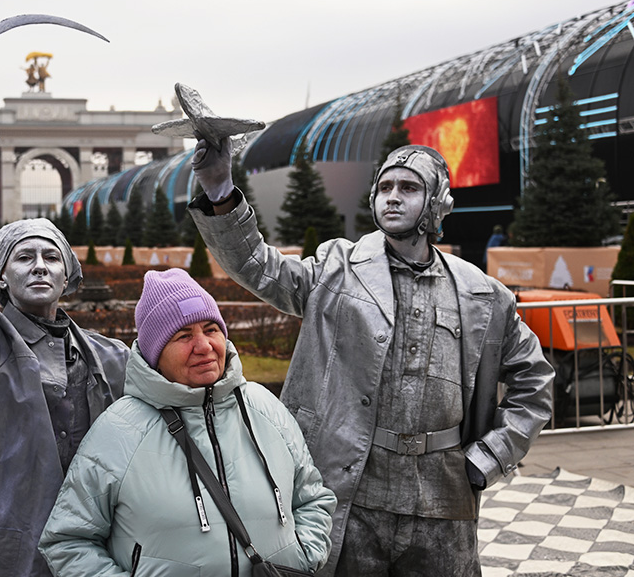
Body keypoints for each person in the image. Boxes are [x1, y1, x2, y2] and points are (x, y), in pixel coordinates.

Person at [187, 140, 554, 576]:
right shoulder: (335, 268)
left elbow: (535, 383)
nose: (393, 196)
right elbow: (258, 266)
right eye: (385, 187)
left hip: (444, 497)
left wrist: (491, 456)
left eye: (409, 187)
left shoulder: (482, 296)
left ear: (437, 204)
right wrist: (220, 190)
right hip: (352, 488)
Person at [0, 119, 129, 576]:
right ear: (0, 274)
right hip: (0, 542)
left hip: (86, 543)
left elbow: (175, 381)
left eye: (51, 257)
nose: (39, 267)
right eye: (24, 257)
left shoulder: (108, 357)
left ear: (67, 276)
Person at [39, 268, 336, 576]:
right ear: (156, 353)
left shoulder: (265, 408)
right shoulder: (118, 431)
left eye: (211, 330)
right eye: (184, 336)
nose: (204, 346)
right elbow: (68, 540)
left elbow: (313, 497)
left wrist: (303, 556)